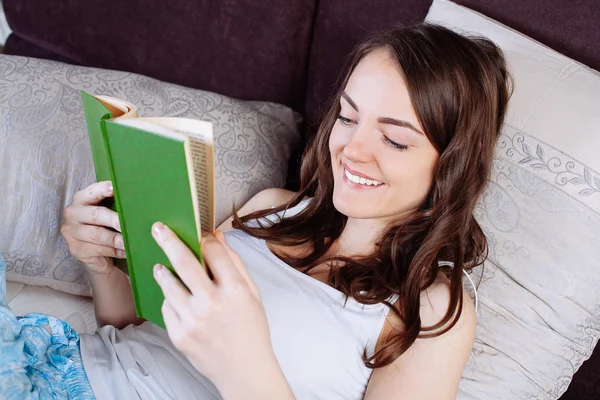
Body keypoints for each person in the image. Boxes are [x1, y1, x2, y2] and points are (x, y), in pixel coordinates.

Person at [0, 23, 511, 399]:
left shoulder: (433, 311)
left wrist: (244, 365)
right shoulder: (271, 211)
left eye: (395, 140)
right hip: (62, 372)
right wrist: (102, 266)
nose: (352, 150)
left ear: (453, 164)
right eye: (348, 117)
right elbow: (141, 335)